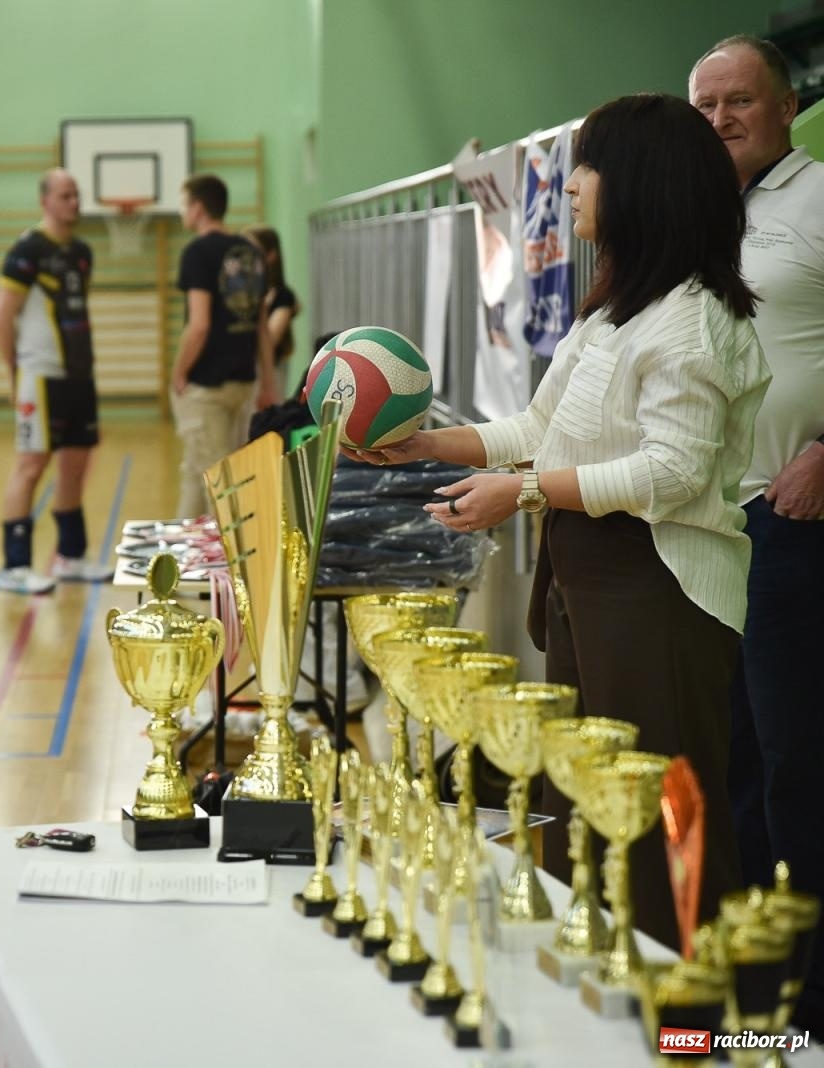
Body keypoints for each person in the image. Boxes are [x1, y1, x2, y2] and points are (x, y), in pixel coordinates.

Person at [345, 94, 768, 948]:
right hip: (590, 582)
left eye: (588, 166)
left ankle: (691, 1019)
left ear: (639, 184)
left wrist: (526, 493)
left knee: (659, 819)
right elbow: (537, 431)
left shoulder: (690, 319)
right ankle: (614, 999)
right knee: (587, 806)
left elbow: (672, 472)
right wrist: (425, 444)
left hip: (661, 594)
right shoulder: (618, 310)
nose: (570, 186)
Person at [693, 35, 824, 1029]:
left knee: (795, 768)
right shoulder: (691, 220)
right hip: (699, 533)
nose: (722, 119)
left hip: (789, 524)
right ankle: (743, 995)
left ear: (786, 106)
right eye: (704, 106)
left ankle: (812, 1010)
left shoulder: (816, 199)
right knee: (723, 761)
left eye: (740, 101)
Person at [0, 168, 115, 595]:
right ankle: (16, 565)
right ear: (45, 201)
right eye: (65, 195)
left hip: (79, 377)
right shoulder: (27, 252)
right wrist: (14, 373)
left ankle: (71, 556)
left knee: (76, 465)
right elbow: (2, 316)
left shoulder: (81, 252)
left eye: (77, 195)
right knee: (31, 466)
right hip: (39, 377)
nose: (74, 203)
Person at [171, 173, 274, 519]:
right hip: (244, 383)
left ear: (198, 208)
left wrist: (179, 372)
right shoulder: (249, 251)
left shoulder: (197, 253)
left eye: (185, 204)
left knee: (219, 485)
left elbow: (198, 325)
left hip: (207, 388)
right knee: (195, 469)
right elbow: (260, 325)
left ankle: (227, 564)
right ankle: (182, 552)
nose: (183, 211)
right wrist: (269, 383)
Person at [243, 225, 304, 400]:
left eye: (253, 249)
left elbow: (270, 340)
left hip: (270, 371)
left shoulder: (282, 296)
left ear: (271, 255)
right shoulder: (245, 291)